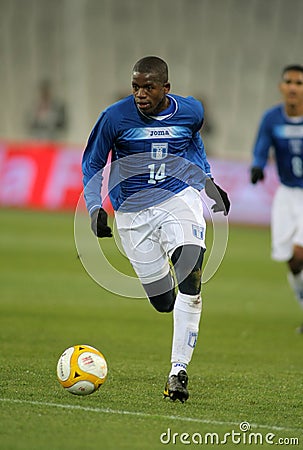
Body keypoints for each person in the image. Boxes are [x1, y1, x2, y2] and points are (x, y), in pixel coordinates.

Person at [82, 56, 230, 402]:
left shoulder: (191, 111)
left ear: (166, 87)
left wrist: (207, 182)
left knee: (191, 277)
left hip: (179, 199)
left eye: (148, 87)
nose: (140, 94)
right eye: (135, 86)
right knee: (164, 301)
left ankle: (178, 372)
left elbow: (193, 142)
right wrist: (94, 208)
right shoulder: (114, 117)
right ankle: (174, 299)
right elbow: (92, 163)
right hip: (133, 215)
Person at [250, 64, 303, 332]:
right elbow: (261, 145)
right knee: (290, 259)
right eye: (289, 82)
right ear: (282, 87)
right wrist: (257, 165)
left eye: (299, 83)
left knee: (300, 251)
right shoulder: (272, 118)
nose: (293, 87)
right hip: (285, 193)